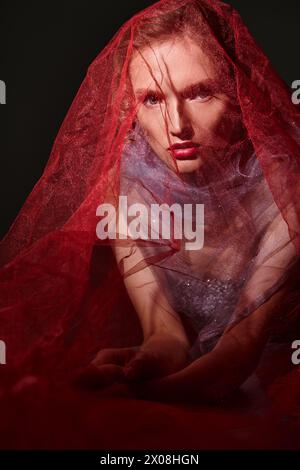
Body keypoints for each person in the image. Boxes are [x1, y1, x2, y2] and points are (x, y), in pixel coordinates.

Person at [0, 0, 299, 406]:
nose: (177, 125)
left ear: (239, 94)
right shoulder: (128, 191)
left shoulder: (287, 194)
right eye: (152, 100)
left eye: (200, 93)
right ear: (131, 106)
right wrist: (152, 359)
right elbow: (164, 332)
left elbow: (238, 351)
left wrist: (145, 395)